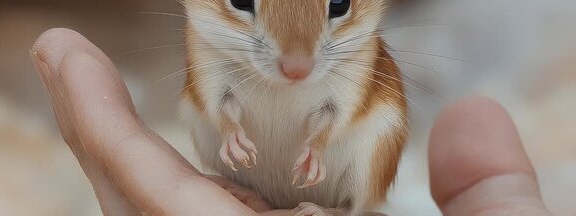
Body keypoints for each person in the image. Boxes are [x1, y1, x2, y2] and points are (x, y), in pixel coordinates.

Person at [30, 28, 552, 216]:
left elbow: (339, 109)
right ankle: (244, 187)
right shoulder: (210, 42)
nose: (295, 60)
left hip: (339, 184)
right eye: (244, 1)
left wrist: (322, 141)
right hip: (256, 174)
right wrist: (230, 128)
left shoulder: (354, 56)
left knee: (379, 119)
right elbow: (215, 99)